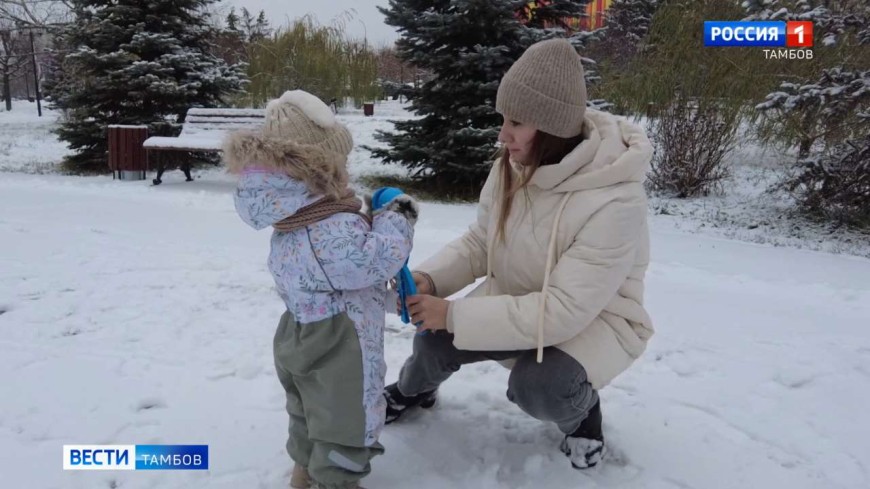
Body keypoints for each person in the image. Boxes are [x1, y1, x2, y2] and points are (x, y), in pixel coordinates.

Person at [382, 39, 655, 469]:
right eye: (503, 118)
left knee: (539, 386)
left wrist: (452, 314)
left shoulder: (615, 200)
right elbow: (481, 242)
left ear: (551, 128)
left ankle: (583, 418)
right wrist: (431, 281)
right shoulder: (512, 166)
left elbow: (564, 310)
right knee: (432, 339)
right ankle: (413, 389)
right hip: (518, 298)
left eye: (517, 122)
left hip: (595, 319)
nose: (502, 134)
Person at [226, 90, 419, 489]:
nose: (347, 172)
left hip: (298, 334)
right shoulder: (329, 227)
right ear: (319, 169)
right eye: (341, 163)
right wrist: (397, 216)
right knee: (344, 420)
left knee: (307, 410)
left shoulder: (291, 219)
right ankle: (336, 480)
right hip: (338, 344)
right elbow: (378, 259)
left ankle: (303, 470)